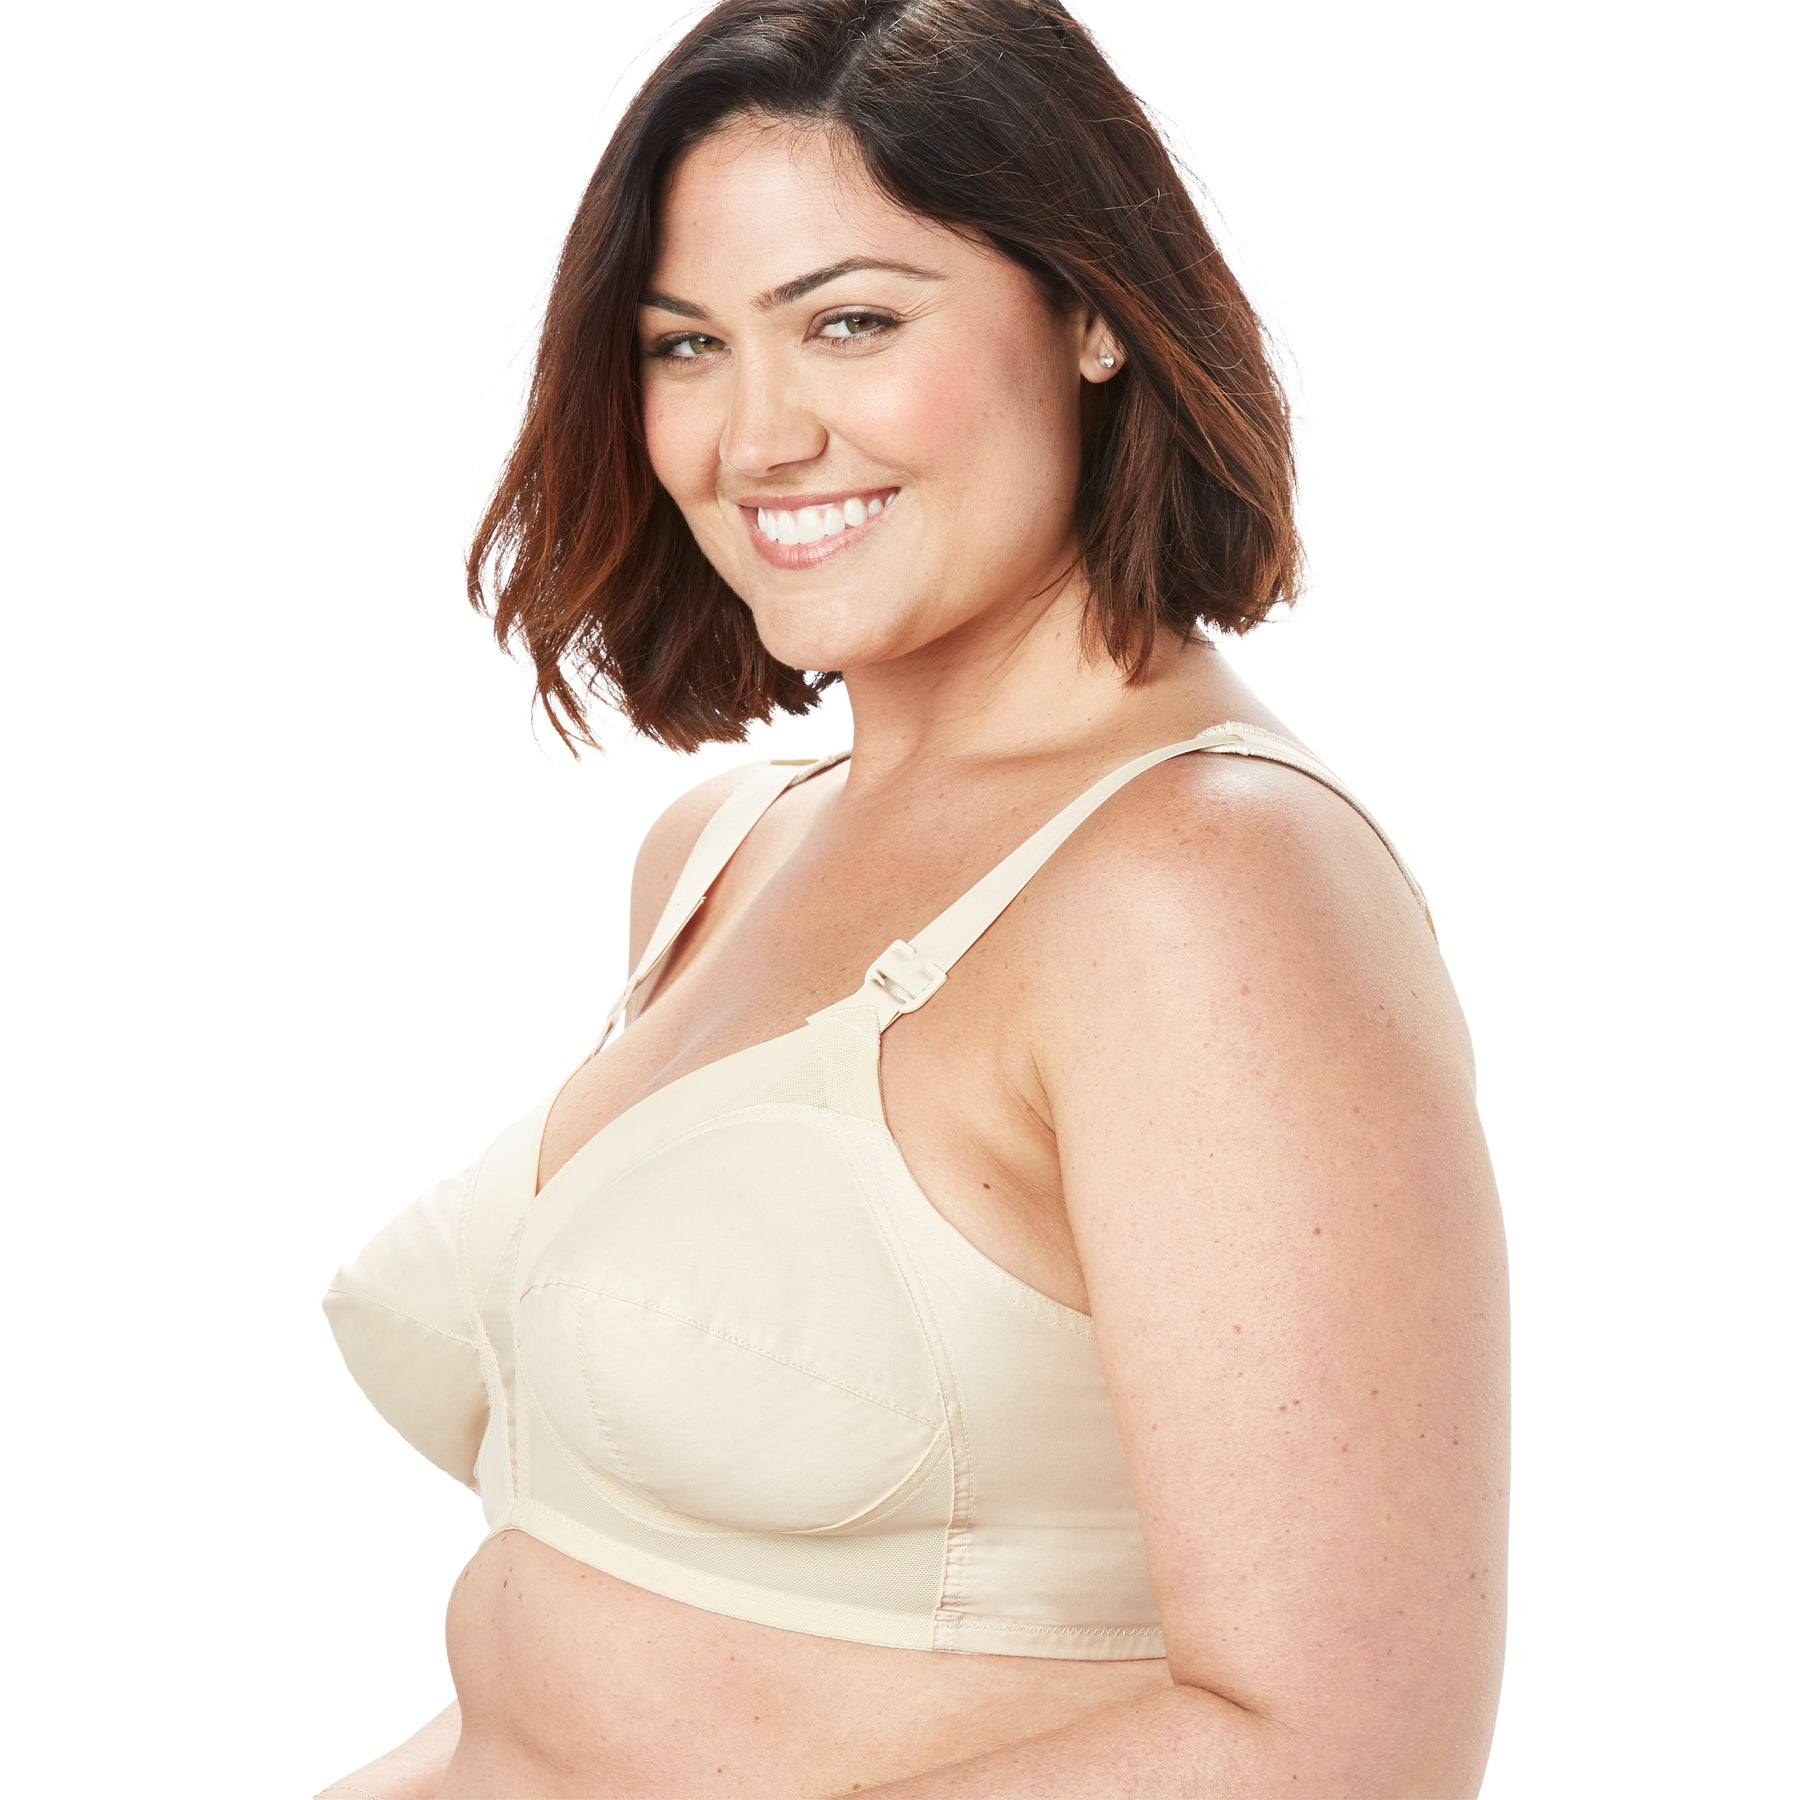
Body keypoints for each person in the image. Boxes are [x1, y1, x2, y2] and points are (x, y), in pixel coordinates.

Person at [316, 2, 1509, 1795]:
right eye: (686, 345)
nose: (757, 435)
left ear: (1093, 311)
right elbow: (582, 1657)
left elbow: (1340, 1752)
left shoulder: (1207, 890)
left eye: (852, 322)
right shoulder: (724, 851)